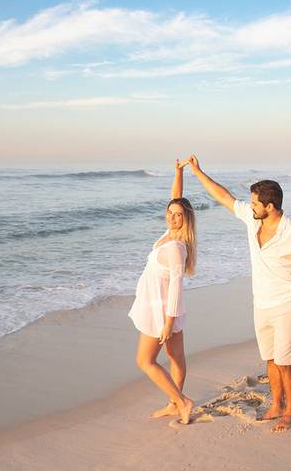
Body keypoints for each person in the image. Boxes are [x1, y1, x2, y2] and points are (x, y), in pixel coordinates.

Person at [186, 154, 291, 432]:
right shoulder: (253, 218)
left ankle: (290, 411)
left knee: (286, 363)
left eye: (256, 203)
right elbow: (223, 197)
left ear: (270, 206)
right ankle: (275, 404)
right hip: (262, 303)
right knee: (270, 360)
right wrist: (198, 172)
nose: (251, 206)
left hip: (287, 303)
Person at [129, 159, 197, 424]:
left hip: (161, 311)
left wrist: (168, 324)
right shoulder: (170, 233)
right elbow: (176, 199)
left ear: (186, 219)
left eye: (178, 215)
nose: (172, 216)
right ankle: (174, 403)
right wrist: (178, 172)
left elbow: (177, 289)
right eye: (170, 212)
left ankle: (182, 401)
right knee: (175, 356)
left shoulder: (176, 248)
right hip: (162, 308)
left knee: (145, 361)